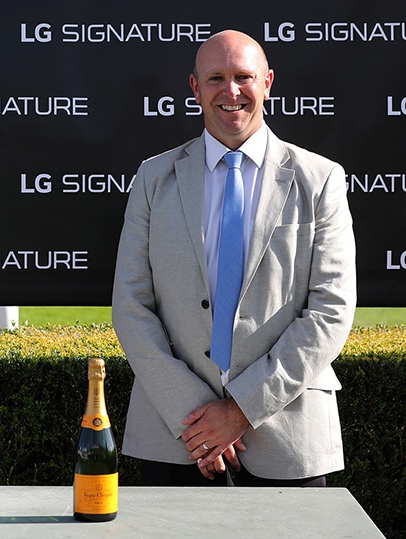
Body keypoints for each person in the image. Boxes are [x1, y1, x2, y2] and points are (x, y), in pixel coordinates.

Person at [112, 30, 356, 487]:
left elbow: (330, 311)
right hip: (176, 438)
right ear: (194, 86)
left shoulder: (320, 179)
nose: (231, 91)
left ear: (267, 82)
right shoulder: (153, 178)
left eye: (244, 76)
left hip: (288, 438)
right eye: (216, 78)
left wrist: (241, 410)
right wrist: (198, 421)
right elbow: (130, 305)